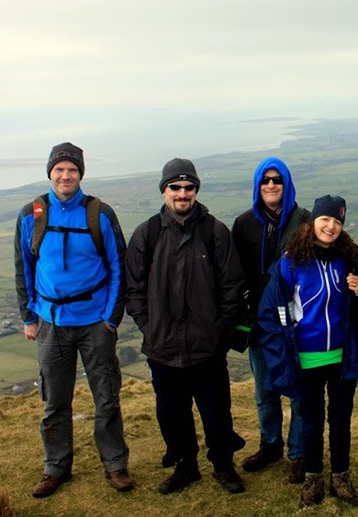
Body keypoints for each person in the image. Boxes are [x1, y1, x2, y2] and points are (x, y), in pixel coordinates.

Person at [14, 142, 132, 498]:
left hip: (95, 322)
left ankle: (116, 465)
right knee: (54, 402)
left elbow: (118, 268)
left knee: (106, 397)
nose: (66, 176)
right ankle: (56, 468)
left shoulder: (99, 213)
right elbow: (24, 268)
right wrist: (29, 316)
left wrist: (110, 318)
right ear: (49, 172)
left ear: (81, 174)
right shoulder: (31, 214)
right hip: (50, 323)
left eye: (72, 170)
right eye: (59, 169)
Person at [125, 158, 246, 495]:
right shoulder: (147, 234)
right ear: (164, 191)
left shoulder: (214, 232)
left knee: (216, 412)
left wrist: (219, 332)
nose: (182, 193)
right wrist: (149, 327)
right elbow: (132, 287)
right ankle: (185, 467)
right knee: (172, 414)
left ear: (196, 191)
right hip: (162, 348)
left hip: (207, 347)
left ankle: (223, 465)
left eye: (188, 187)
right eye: (175, 187)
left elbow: (232, 287)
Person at [256, 195, 358, 507]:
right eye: (325, 219)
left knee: (341, 419)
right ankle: (312, 479)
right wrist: (281, 355)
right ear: (313, 222)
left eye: (337, 221)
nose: (331, 226)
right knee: (310, 422)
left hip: (342, 357)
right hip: (305, 358)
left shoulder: (348, 257)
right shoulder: (290, 263)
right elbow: (270, 314)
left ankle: (341, 478)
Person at [232, 157, 309, 483]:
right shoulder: (244, 224)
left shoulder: (305, 221)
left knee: (300, 391)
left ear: (287, 183)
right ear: (257, 185)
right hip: (261, 323)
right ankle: (270, 445)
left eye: (277, 180)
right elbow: (234, 276)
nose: (271, 185)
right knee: (265, 390)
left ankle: (299, 453)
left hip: (298, 324)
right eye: (265, 180)